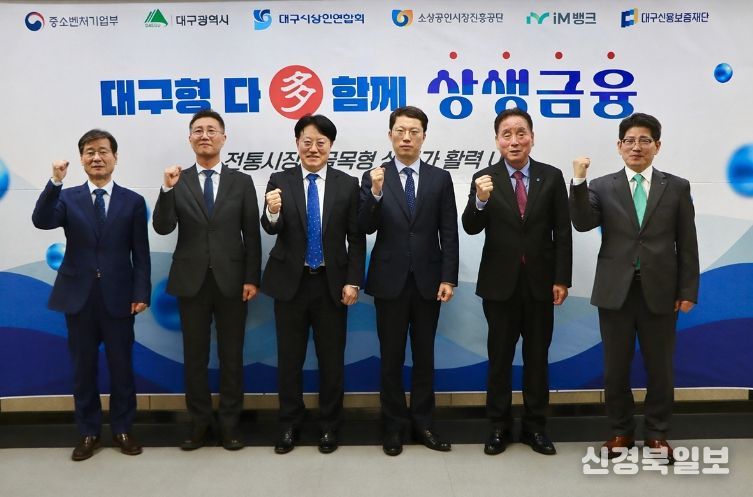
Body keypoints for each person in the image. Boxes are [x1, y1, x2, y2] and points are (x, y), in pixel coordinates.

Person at [569, 112, 699, 462]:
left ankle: (657, 433)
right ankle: (620, 431)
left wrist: (688, 290)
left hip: (662, 290)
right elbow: (582, 222)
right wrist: (578, 181)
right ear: (619, 146)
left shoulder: (676, 187)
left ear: (657, 146)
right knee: (615, 368)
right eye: (629, 141)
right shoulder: (601, 186)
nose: (636, 147)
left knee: (661, 368)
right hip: (616, 291)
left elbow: (687, 241)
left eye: (644, 140)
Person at [32, 129, 151, 461]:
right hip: (79, 297)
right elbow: (41, 220)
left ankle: (123, 429)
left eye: (103, 151)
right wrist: (55, 181)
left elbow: (141, 254)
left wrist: (141, 292)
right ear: (82, 159)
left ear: (115, 157)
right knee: (83, 369)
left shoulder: (132, 201)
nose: (96, 157)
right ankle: (88, 432)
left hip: (119, 297)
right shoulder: (67, 198)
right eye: (89, 152)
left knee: (121, 367)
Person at [462, 108, 572, 456]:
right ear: (497, 140)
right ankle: (498, 426)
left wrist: (562, 278)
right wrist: (480, 200)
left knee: (537, 358)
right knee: (500, 358)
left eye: (520, 133)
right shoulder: (484, 178)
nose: (514, 140)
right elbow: (470, 226)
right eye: (506, 134)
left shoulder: (551, 177)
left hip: (541, 284)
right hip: (499, 285)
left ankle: (535, 427)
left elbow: (562, 232)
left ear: (532, 138)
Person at [153, 109, 261, 451]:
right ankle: (199, 424)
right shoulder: (178, 179)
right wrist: (166, 189)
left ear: (223, 138)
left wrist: (251, 278)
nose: (205, 135)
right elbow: (162, 227)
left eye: (212, 130)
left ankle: (230, 425)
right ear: (190, 139)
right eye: (198, 130)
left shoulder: (241, 181)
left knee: (232, 357)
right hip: (191, 281)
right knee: (195, 357)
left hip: (233, 281)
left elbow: (251, 234)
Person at [261, 114, 365, 454]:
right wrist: (272, 212)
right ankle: (289, 424)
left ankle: (329, 426)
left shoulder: (347, 184)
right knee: (289, 360)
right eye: (307, 141)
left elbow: (356, 238)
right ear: (297, 144)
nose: (313, 148)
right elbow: (271, 226)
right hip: (290, 284)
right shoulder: (280, 180)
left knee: (331, 360)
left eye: (321, 142)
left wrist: (353, 281)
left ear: (330, 146)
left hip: (331, 285)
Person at [359, 105, 459, 456]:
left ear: (423, 137)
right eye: (400, 131)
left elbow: (449, 231)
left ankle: (423, 423)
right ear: (390, 135)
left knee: (424, 356)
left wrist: (449, 277)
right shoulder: (375, 176)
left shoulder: (439, 178)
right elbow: (364, 226)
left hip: (429, 281)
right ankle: (392, 427)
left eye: (413, 132)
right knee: (390, 357)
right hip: (389, 281)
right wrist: (374, 193)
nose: (406, 137)